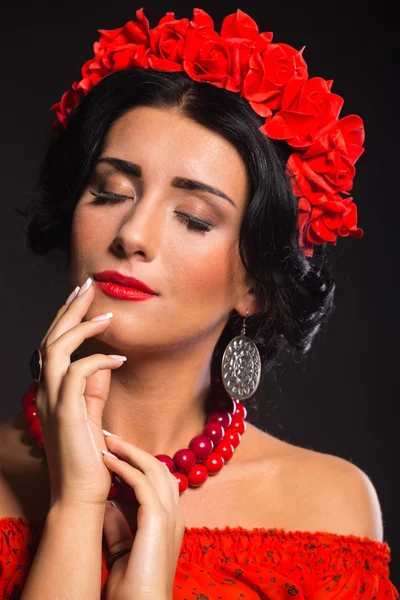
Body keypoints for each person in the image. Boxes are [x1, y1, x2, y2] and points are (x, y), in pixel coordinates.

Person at [0, 7, 398, 599]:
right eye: (109, 192)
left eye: (193, 218)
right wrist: (74, 511)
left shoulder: (328, 507)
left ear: (255, 285)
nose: (133, 234)